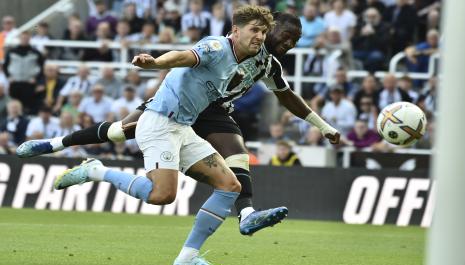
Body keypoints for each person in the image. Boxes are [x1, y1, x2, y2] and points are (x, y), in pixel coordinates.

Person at [17, 12, 341, 237]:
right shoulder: (224, 45)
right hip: (179, 102)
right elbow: (187, 56)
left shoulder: (269, 65)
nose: (291, 42)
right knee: (119, 131)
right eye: (288, 35)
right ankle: (55, 145)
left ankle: (246, 215)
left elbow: (287, 97)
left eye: (296, 39)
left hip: (214, 111)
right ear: (267, 30)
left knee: (236, 153)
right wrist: (155, 63)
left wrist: (323, 126)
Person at [52, 5, 274, 265]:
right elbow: (183, 56)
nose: (260, 37)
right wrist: (156, 62)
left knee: (230, 185)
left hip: (182, 128)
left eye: (263, 31)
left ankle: (187, 257)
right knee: (162, 195)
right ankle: (96, 170)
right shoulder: (216, 47)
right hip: (159, 124)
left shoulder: (239, 61)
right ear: (235, 30)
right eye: (254, 30)